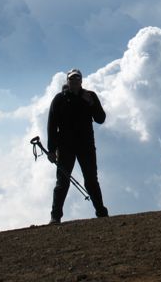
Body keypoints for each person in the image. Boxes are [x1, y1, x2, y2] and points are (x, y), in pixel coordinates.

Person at [47, 69, 108, 223]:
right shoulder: (59, 99)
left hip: (86, 146)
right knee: (62, 182)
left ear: (81, 81)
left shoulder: (90, 96)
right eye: (71, 79)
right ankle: (55, 217)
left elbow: (100, 118)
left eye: (77, 79)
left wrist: (92, 103)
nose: (74, 81)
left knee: (91, 180)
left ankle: (101, 213)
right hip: (65, 147)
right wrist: (51, 149)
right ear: (67, 81)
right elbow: (52, 126)